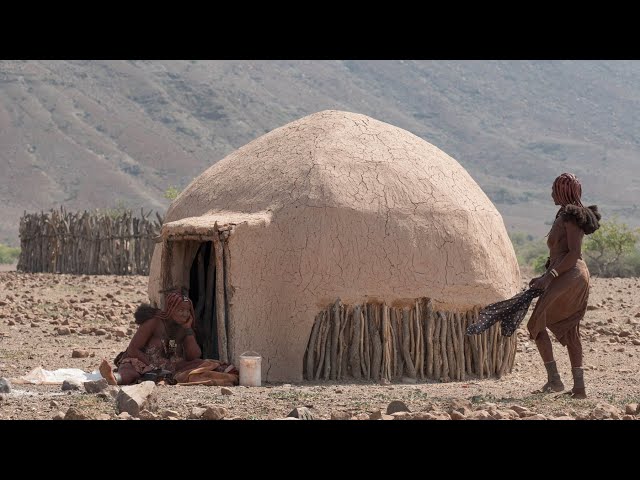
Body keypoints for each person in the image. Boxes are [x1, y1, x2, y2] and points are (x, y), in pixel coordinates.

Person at [527, 173, 600, 399]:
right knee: (570, 330)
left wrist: (549, 277)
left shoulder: (570, 216)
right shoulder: (565, 214)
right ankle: (578, 388)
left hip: (570, 274)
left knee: (536, 324)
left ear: (563, 191)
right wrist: (545, 274)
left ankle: (555, 381)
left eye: (554, 189)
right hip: (565, 273)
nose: (551, 193)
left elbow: (573, 253)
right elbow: (559, 254)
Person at [99, 288, 238, 386]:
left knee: (204, 365)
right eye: (180, 310)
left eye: (187, 310)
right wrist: (151, 366)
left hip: (168, 368)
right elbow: (133, 349)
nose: (185, 314)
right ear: (170, 310)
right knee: (131, 371)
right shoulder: (153, 322)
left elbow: (194, 355)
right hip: (142, 362)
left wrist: (188, 329)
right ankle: (115, 378)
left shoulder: (182, 328)